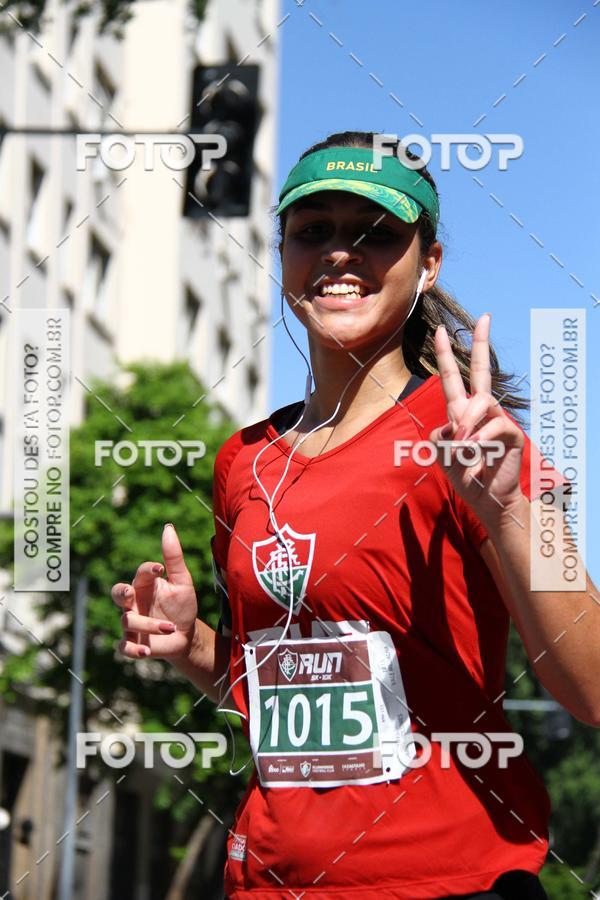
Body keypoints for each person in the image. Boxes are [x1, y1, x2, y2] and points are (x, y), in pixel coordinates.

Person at [112, 131, 599, 899]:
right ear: (283, 254)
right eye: (315, 232)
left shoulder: (473, 440)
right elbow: (278, 686)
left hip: (448, 882)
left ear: (428, 261)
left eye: (376, 234)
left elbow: (594, 690)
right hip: (268, 883)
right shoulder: (244, 461)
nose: (341, 254)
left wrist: (510, 511)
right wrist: (191, 644)